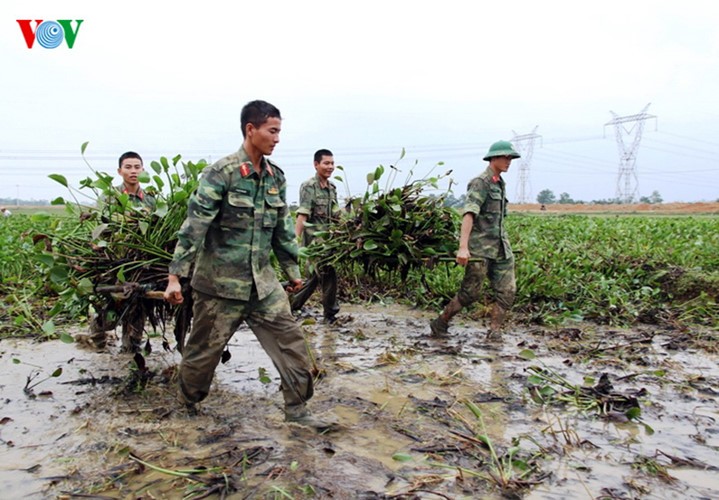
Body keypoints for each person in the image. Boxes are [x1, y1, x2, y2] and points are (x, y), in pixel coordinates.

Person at [163, 100, 333, 430]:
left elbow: (283, 229)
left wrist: (292, 271)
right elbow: (194, 227)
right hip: (219, 287)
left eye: (279, 131)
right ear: (250, 130)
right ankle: (187, 406)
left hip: (263, 286)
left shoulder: (275, 178)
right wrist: (175, 277)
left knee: (293, 345)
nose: (277, 138)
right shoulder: (221, 173)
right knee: (202, 356)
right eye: (273, 131)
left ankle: (298, 411)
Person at [429, 140, 520, 340]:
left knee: (508, 292)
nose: (509, 161)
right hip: (480, 249)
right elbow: (469, 214)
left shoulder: (499, 182)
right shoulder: (481, 182)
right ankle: (441, 322)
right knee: (470, 294)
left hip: (501, 249)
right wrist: (463, 248)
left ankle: (494, 332)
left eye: (510, 157)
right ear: (493, 158)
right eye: (505, 157)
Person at [89, 151, 156, 352]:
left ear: (143, 170)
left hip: (144, 263)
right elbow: (99, 228)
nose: (133, 171)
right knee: (112, 313)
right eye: (128, 167)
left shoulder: (152, 199)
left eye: (137, 167)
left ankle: (131, 352)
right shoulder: (111, 197)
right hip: (118, 261)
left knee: (139, 310)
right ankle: (97, 334)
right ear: (120, 171)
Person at [290, 149, 341, 322]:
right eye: (326, 163)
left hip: (329, 241)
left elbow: (335, 215)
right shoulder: (309, 186)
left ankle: (290, 305)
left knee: (313, 279)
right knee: (328, 273)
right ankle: (330, 314)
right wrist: (294, 241)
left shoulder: (332, 188)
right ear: (316, 164)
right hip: (315, 244)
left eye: (332, 163)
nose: (330, 167)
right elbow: (302, 215)